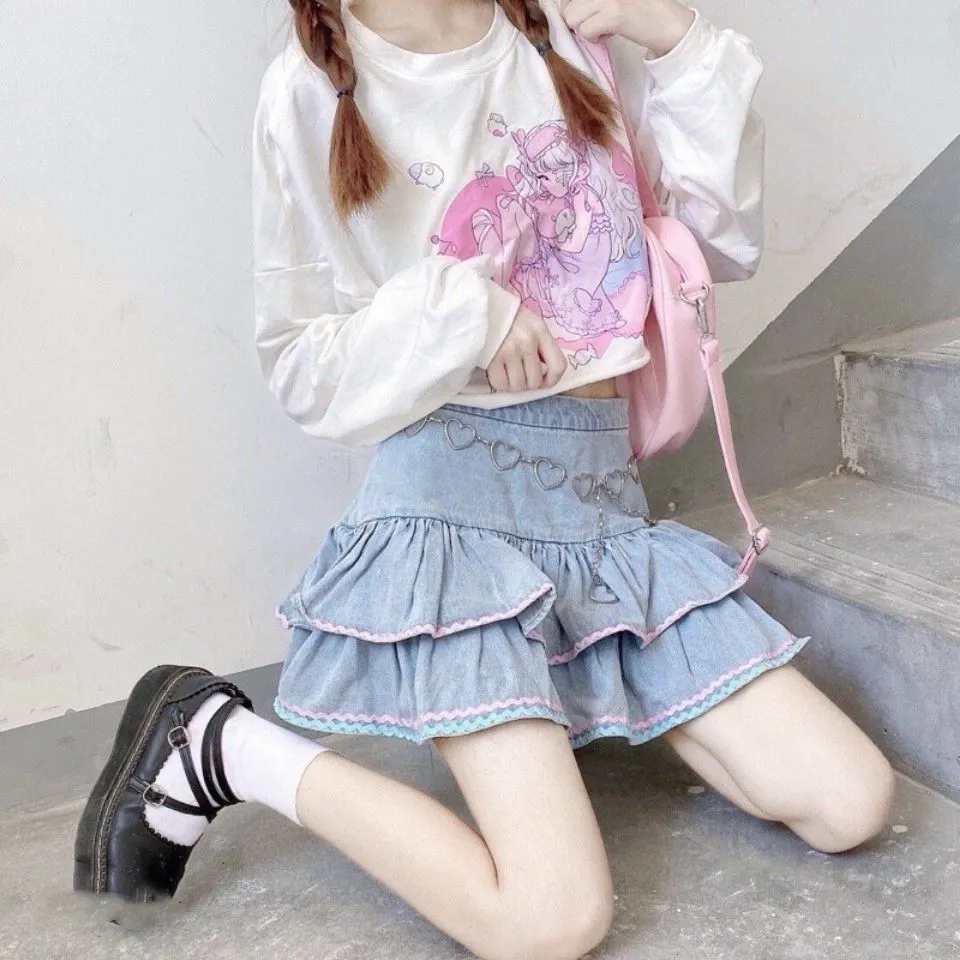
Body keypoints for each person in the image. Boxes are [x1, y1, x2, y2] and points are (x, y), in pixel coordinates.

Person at [74, 2, 896, 957]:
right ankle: (221, 743)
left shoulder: (560, 25)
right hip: (454, 523)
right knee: (552, 918)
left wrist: (672, 37)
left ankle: (554, 691)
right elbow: (301, 362)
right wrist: (471, 313)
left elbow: (712, 245)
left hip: (603, 517)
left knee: (850, 801)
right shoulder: (308, 87)